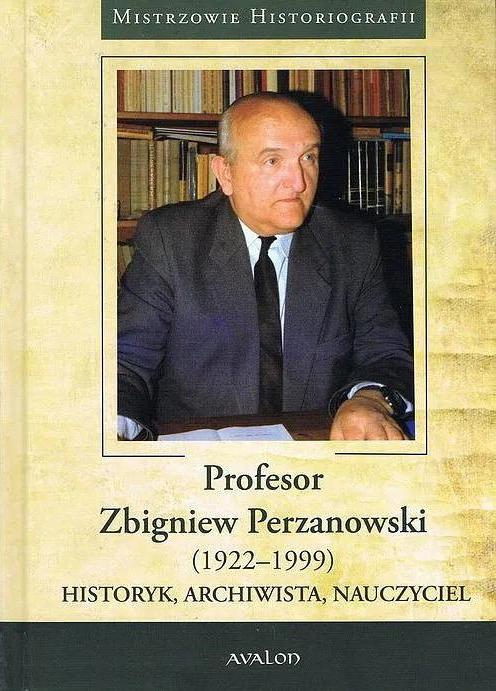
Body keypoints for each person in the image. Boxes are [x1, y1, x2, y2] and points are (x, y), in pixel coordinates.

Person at [118, 92, 413, 440]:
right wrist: (113, 427)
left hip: (314, 446)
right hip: (202, 456)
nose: (299, 182)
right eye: (273, 161)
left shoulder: (354, 243)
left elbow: (386, 354)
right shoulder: (171, 239)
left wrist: (370, 399)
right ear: (225, 173)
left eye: (308, 157)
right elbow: (126, 361)